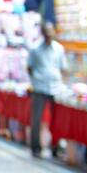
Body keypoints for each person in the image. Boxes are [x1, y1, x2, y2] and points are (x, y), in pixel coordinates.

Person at [27, 21, 68, 158]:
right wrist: (35, 80)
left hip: (55, 87)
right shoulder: (35, 49)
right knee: (37, 119)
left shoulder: (59, 49)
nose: (49, 35)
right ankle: (35, 147)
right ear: (43, 33)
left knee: (57, 119)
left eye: (51, 32)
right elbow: (30, 67)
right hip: (39, 87)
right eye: (46, 32)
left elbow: (63, 68)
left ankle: (56, 147)